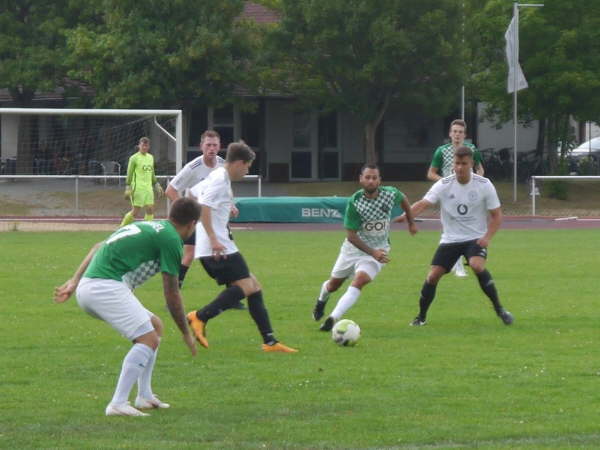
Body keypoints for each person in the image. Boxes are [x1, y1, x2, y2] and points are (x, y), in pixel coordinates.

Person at [54, 197, 201, 417]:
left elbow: (98, 246)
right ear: (192, 224)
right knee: (147, 339)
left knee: (155, 326)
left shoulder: (150, 225)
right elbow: (171, 293)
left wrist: (74, 281)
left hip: (92, 285)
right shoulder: (172, 239)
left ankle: (144, 396)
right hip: (104, 287)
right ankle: (118, 403)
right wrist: (186, 333)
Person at [186, 141, 298, 353]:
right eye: (247, 166)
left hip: (217, 245)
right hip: (217, 247)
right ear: (238, 163)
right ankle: (199, 316)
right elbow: (204, 207)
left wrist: (227, 204)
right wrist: (213, 238)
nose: (247, 171)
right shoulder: (220, 179)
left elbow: (193, 194)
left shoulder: (219, 176)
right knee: (248, 287)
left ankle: (270, 341)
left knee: (254, 286)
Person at [402, 146, 513, 327]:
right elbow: (423, 203)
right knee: (432, 277)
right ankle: (421, 317)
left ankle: (500, 309)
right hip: (450, 239)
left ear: (471, 164)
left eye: (464, 163)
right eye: (457, 163)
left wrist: (487, 237)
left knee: (477, 265)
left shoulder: (484, 185)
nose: (459, 167)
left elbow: (497, 215)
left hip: (475, 238)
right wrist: (407, 215)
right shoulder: (444, 184)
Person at [312, 164, 418, 332]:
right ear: (360, 179)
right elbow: (351, 236)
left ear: (379, 180)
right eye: (367, 177)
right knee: (333, 285)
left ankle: (333, 318)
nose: (371, 181)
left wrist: (411, 222)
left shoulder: (390, 194)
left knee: (359, 280)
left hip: (379, 250)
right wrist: (373, 252)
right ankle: (321, 301)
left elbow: (404, 199)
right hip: (352, 250)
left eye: (374, 178)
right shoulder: (355, 202)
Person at [428, 119, 485, 278]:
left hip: (468, 194)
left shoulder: (472, 149)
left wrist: (477, 182)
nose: (457, 135)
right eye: (454, 131)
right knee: (451, 228)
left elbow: (480, 169)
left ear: (465, 135)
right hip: (449, 195)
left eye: (460, 132)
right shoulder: (442, 150)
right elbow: (431, 173)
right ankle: (458, 265)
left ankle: (464, 259)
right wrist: (444, 183)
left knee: (467, 224)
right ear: (450, 133)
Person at [120, 137, 164, 227]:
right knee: (136, 211)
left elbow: (152, 172)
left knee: (150, 209)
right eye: (143, 145)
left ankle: (147, 229)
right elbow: (129, 173)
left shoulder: (151, 157)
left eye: (146, 146)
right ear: (139, 145)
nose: (144, 147)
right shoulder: (134, 158)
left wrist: (156, 184)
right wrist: (128, 187)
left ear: (149, 147)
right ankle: (122, 227)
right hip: (138, 188)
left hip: (148, 188)